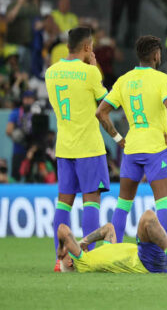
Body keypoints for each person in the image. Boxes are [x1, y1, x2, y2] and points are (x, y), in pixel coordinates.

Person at [96, 35, 167, 239]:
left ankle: (112, 253)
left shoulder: (124, 80)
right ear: (156, 55)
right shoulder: (162, 79)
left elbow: (100, 112)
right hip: (156, 149)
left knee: (123, 204)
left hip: (131, 149)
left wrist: (117, 138)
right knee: (163, 202)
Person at [45, 26, 109, 271]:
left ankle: (60, 259)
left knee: (64, 203)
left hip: (64, 146)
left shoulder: (51, 72)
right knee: (90, 202)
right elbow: (106, 103)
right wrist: (94, 69)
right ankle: (86, 258)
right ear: (87, 47)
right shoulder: (89, 73)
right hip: (89, 147)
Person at [5, 90, 36, 181]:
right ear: (22, 99)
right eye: (26, 99)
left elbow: (40, 133)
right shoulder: (16, 112)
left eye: (30, 99)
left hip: (32, 150)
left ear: (33, 100)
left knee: (30, 178)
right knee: (15, 177)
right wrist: (17, 136)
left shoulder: (36, 112)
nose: (28, 101)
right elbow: (8, 130)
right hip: (18, 149)